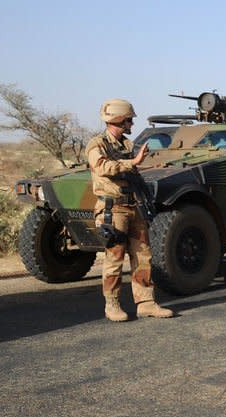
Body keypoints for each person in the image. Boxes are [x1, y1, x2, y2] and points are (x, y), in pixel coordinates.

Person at [86, 99, 174, 322]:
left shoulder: (125, 145)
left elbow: (132, 172)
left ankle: (145, 303)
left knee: (143, 256)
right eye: (128, 120)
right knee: (114, 258)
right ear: (118, 119)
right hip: (112, 208)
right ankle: (112, 304)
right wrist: (133, 162)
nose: (131, 123)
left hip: (133, 207)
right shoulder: (97, 144)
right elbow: (103, 167)